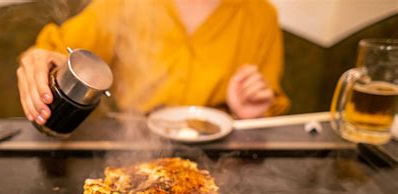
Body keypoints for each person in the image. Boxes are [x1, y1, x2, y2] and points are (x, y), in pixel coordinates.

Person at [17, 0, 290, 126]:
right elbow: (51, 51)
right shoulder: (123, 4)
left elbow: (266, 110)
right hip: (131, 145)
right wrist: (40, 60)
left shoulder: (261, 15)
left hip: (221, 157)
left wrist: (250, 114)